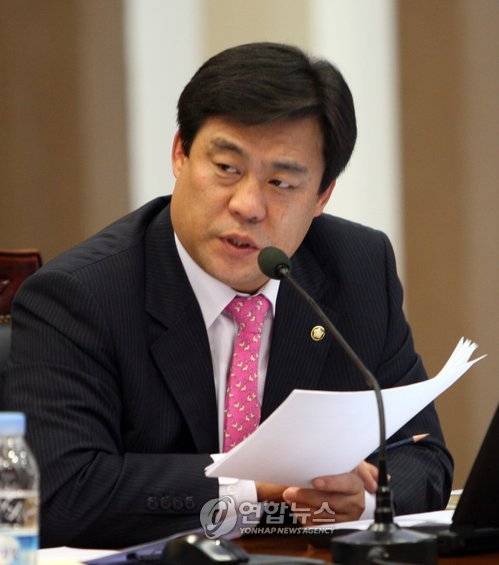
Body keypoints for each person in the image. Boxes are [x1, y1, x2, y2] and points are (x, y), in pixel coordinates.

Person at [1, 42, 452, 549]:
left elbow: (424, 457)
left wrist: (364, 499)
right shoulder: (82, 295)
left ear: (322, 195)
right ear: (180, 153)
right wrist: (251, 488)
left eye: (281, 182)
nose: (247, 205)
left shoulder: (357, 269)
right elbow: (60, 493)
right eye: (226, 168)